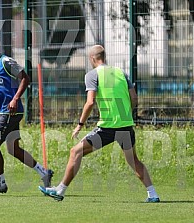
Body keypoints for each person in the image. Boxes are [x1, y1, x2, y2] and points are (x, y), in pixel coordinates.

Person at [39, 45, 160, 203]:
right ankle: (153, 194)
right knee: (133, 161)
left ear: (92, 59)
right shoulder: (121, 73)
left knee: (75, 152)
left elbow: (90, 103)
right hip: (125, 125)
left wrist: (80, 124)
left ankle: (60, 190)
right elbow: (134, 98)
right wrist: (124, 114)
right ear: (104, 57)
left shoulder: (92, 75)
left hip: (108, 127)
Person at [0, 31, 53, 196]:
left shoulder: (6, 62)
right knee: (13, 149)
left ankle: (0, 183)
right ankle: (44, 173)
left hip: (10, 111)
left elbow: (25, 78)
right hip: (3, 112)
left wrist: (15, 98)